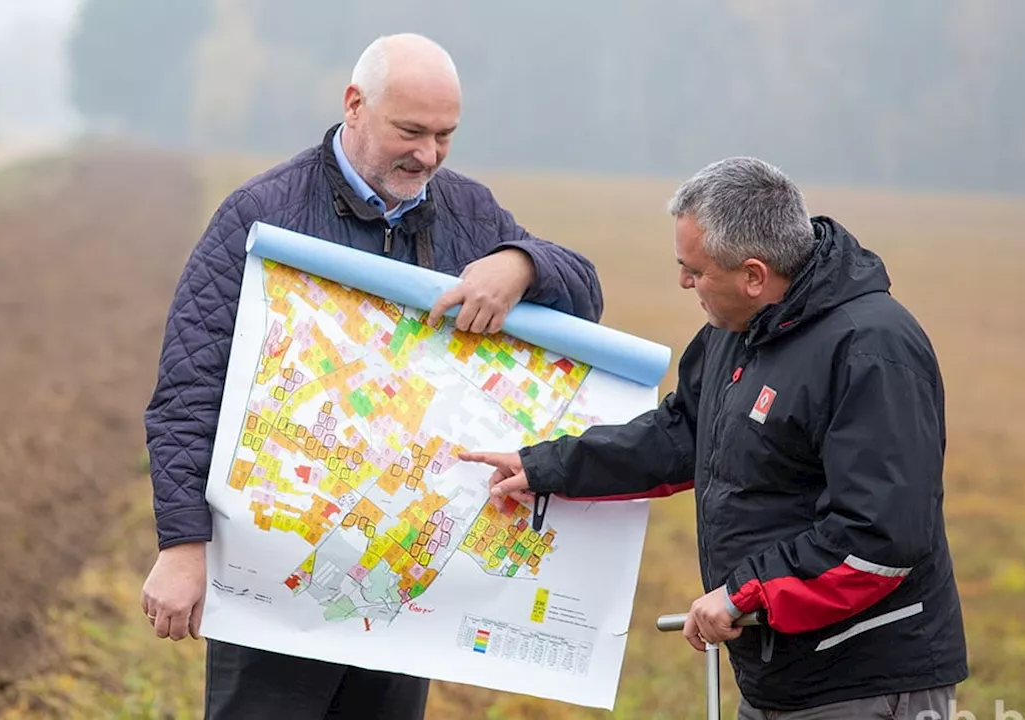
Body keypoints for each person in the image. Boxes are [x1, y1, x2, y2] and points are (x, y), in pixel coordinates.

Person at [139, 33, 604, 720]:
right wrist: (182, 545)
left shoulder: (469, 214)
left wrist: (522, 263)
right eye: (410, 131)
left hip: (401, 587)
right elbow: (189, 387)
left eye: (445, 136)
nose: (429, 155)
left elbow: (585, 296)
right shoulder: (260, 214)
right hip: (273, 569)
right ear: (354, 105)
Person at [460, 157, 968, 717]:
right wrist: (547, 467)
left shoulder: (872, 351)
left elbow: (878, 539)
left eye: (695, 271)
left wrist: (744, 593)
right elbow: (681, 436)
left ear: (754, 274)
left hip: (864, 682)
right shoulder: (736, 332)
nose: (683, 282)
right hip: (776, 676)